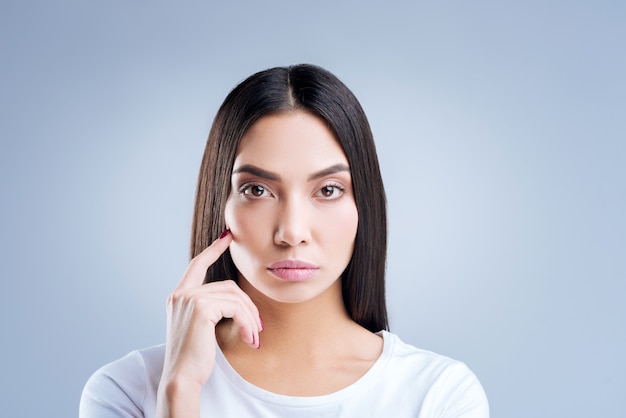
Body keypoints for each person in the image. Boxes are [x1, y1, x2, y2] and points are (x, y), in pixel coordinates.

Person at [80, 64, 489, 417]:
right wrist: (180, 391)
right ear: (218, 204)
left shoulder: (439, 396)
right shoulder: (128, 391)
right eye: (257, 190)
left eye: (327, 190)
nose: (292, 232)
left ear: (364, 205)